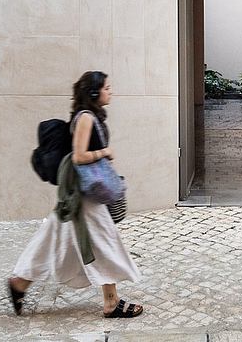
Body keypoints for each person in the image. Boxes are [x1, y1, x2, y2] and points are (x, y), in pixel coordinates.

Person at [7, 70, 145, 321]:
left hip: (80, 193)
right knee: (105, 241)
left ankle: (20, 282)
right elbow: (79, 155)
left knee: (51, 240)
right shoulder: (85, 119)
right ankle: (111, 302)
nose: (110, 91)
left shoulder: (90, 117)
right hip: (84, 196)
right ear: (93, 92)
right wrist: (103, 153)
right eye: (106, 87)